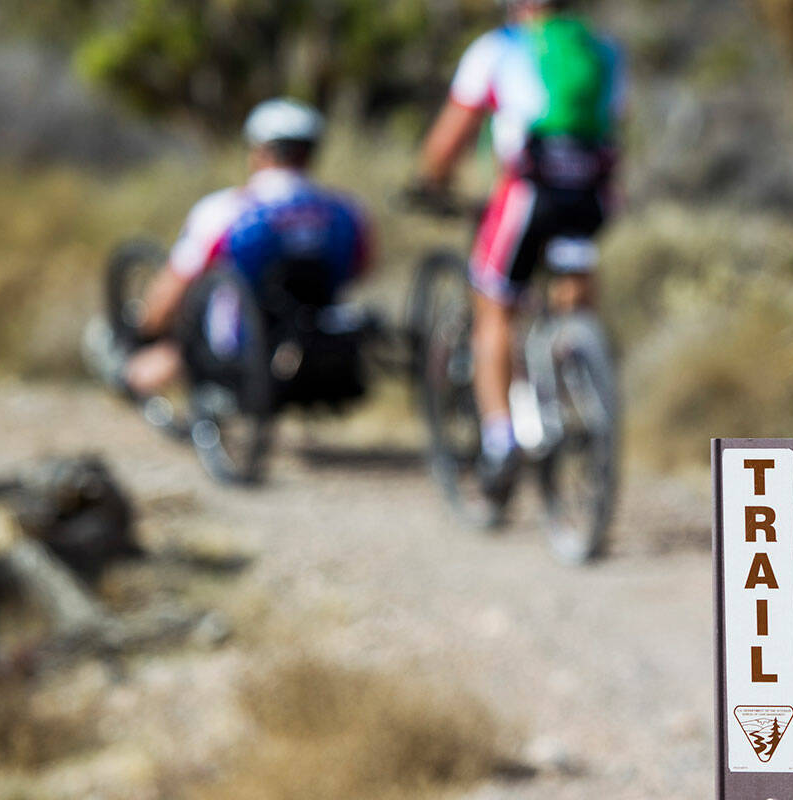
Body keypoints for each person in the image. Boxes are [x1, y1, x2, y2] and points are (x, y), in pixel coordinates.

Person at [414, 0, 624, 503]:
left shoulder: (500, 48)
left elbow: (451, 138)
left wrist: (431, 180)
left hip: (528, 194)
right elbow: (614, 125)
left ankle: (500, 439)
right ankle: (578, 379)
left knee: (495, 306)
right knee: (572, 290)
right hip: (592, 195)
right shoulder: (603, 51)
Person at [100, 97, 373, 402]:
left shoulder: (227, 210)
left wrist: (144, 327)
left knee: (186, 311)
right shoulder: (349, 211)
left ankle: (131, 375)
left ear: (259, 152)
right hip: (320, 337)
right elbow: (362, 267)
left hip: (238, 349)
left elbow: (176, 282)